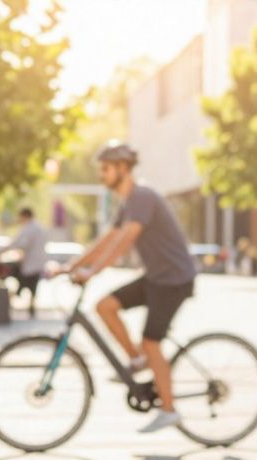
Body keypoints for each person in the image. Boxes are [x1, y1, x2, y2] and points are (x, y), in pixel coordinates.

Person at [63, 140, 198, 433]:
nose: (101, 174)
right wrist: (73, 265)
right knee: (105, 306)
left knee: (152, 342)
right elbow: (107, 238)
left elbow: (123, 242)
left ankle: (169, 409)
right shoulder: (128, 203)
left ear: (123, 168)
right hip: (155, 276)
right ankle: (137, 359)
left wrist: (93, 272)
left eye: (105, 169)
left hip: (174, 279)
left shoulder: (142, 197)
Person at [0, 207, 48, 317]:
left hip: (29, 265)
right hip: (36, 264)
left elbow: (19, 244)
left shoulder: (29, 229)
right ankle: (29, 306)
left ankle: (5, 305)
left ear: (24, 216)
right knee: (31, 288)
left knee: (19, 284)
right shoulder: (39, 228)